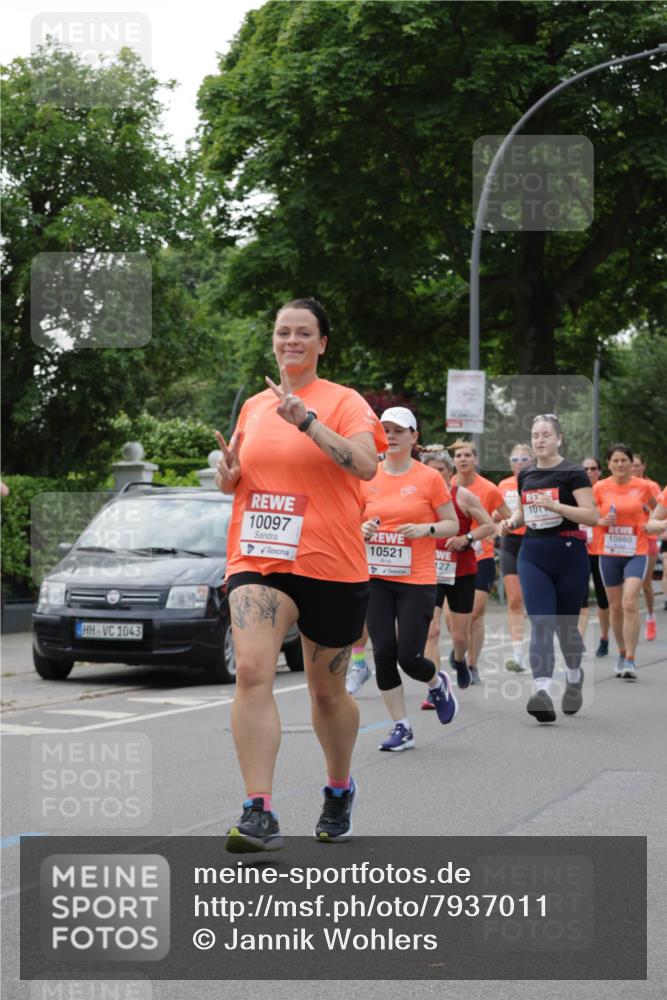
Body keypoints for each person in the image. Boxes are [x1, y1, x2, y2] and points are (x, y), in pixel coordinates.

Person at [216, 297, 387, 851]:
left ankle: (338, 788)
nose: (291, 340)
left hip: (331, 563)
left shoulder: (344, 402)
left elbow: (366, 465)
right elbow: (238, 480)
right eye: (283, 331)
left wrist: (308, 423)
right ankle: (258, 809)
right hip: (260, 559)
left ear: (322, 344)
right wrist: (228, 475)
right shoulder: (254, 408)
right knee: (250, 671)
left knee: (327, 694)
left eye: (303, 332)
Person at [360, 409, 460, 751]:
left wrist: (424, 529)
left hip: (416, 579)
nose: (390, 435)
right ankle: (401, 727)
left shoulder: (429, 478)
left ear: (414, 437)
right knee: (383, 652)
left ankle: (437, 683)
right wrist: (363, 529)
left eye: (398, 430)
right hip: (376, 577)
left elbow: (451, 524)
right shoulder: (367, 475)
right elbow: (352, 521)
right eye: (385, 429)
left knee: (409, 657)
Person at [497, 414, 598, 723]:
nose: (539, 440)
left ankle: (574, 675)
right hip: (533, 554)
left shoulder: (573, 472)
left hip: (569, 555)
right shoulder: (526, 474)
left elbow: (591, 516)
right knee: (541, 621)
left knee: (566, 627)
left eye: (546, 434)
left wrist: (557, 507)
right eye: (535, 435)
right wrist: (510, 522)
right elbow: (523, 512)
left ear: (559, 439)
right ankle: (541, 691)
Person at [419, 447, 495, 705]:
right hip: (429, 571)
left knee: (461, 636)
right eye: (430, 470)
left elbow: (488, 526)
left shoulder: (462, 496)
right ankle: (435, 688)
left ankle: (460, 660)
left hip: (461, 571)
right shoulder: (418, 497)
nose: (435, 474)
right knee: (431, 631)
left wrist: (466, 538)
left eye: (440, 470)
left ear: (449, 471)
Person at [593, 444, 657, 679]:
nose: (620, 464)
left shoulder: (643, 487)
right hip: (608, 552)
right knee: (615, 607)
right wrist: (601, 521)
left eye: (624, 460)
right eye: (615, 460)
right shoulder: (599, 487)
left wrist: (650, 523)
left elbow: (658, 510)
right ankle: (621, 652)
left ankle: (630, 659)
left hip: (635, 551)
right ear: (609, 464)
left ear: (632, 463)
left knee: (630, 603)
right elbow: (589, 515)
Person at [451, 440, 511, 684]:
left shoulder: (489, 489)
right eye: (458, 456)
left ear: (475, 459)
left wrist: (496, 524)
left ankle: (472, 664)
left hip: (481, 555)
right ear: (453, 461)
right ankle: (459, 650)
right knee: (453, 620)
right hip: (452, 558)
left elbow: (508, 516)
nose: (463, 459)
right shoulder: (447, 486)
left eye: (467, 455)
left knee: (475, 614)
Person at [497, 444, 532, 672]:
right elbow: (496, 512)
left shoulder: (538, 482)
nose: (519, 463)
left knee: (535, 601)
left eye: (524, 459)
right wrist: (496, 518)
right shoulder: (503, 485)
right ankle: (518, 654)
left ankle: (541, 645)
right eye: (515, 459)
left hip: (534, 542)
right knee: (515, 600)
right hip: (510, 543)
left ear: (532, 461)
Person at [578, 457, 611, 657]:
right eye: (585, 469)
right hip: (580, 550)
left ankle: (604, 638)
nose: (589, 472)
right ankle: (579, 642)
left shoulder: (606, 490)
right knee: (580, 598)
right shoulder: (574, 491)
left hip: (600, 550)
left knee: (602, 598)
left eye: (593, 468)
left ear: (599, 471)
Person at [631, 453, 661, 640]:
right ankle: (631, 621)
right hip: (628, 540)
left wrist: (647, 510)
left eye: (637, 465)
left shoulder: (651, 486)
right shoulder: (624, 486)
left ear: (643, 466)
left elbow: (660, 511)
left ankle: (650, 616)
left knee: (645, 582)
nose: (634, 469)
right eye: (632, 465)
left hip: (648, 538)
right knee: (630, 585)